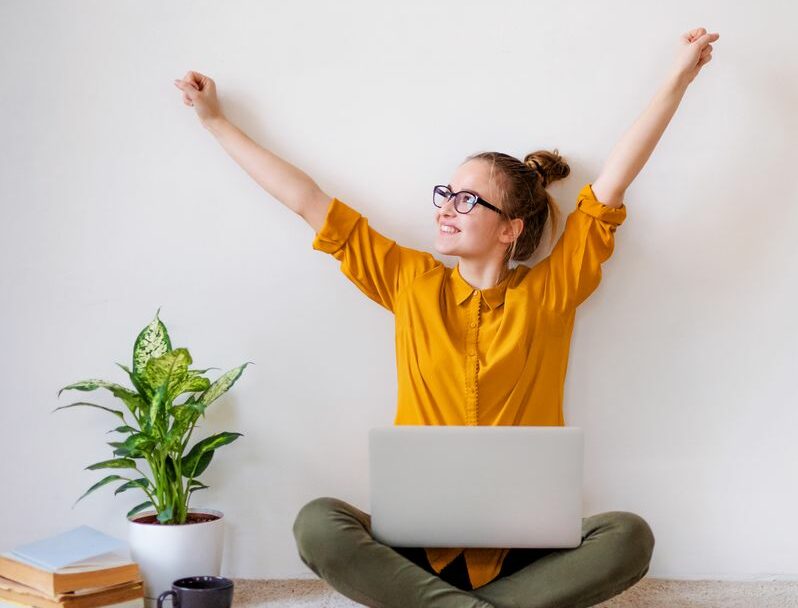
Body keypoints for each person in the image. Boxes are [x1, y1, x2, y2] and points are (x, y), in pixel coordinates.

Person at [174, 26, 719, 608]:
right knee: (317, 522)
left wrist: (679, 79)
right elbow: (308, 201)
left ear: (510, 229)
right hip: (414, 548)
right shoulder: (410, 282)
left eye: (467, 200)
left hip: (526, 553)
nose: (446, 209)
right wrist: (215, 121)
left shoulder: (552, 292)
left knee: (628, 537)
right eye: (445, 194)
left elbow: (612, 185)